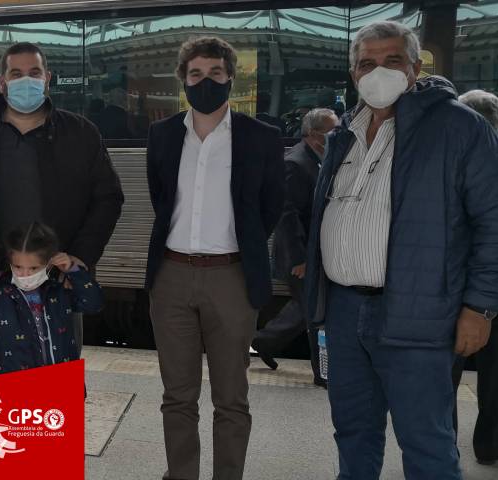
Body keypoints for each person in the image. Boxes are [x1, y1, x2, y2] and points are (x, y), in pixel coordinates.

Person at [305, 21, 498, 479]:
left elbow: (493, 221)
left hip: (420, 314)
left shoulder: (458, 127)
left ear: (414, 68)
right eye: (367, 63)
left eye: (392, 60)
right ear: (354, 74)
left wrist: (480, 307)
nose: (379, 71)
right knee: (352, 432)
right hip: (344, 311)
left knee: (426, 443)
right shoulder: (343, 134)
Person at [145, 37, 284, 480]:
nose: (206, 81)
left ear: (230, 78)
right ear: (183, 80)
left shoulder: (261, 138)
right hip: (171, 274)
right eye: (196, 74)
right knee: (177, 395)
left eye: (215, 73)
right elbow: (161, 198)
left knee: (231, 398)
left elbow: (270, 208)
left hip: (232, 276)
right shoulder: (163, 135)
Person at [0, 41, 122, 270]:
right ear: (2, 83)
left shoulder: (80, 133)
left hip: (60, 269)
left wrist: (81, 255)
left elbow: (108, 198)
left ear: (47, 78)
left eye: (34, 73)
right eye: (16, 74)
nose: (26, 81)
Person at [253, 107, 338, 386]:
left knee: (306, 308)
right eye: (332, 131)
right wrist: (299, 258)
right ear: (313, 134)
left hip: (314, 253)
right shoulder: (295, 163)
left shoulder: (317, 159)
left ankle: (262, 342)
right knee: (315, 313)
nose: (337, 135)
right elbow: (286, 215)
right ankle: (323, 374)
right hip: (300, 255)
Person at [0, 221, 103, 374]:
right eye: (18, 267)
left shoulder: (58, 292)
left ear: (49, 263)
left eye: (33, 268)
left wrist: (73, 270)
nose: (25, 274)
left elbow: (94, 304)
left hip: (61, 381)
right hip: (18, 386)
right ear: (10, 262)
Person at [453, 88, 498, 465]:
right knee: (497, 376)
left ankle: (441, 451)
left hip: (452, 284)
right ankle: (489, 446)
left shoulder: (451, 157)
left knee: (442, 376)